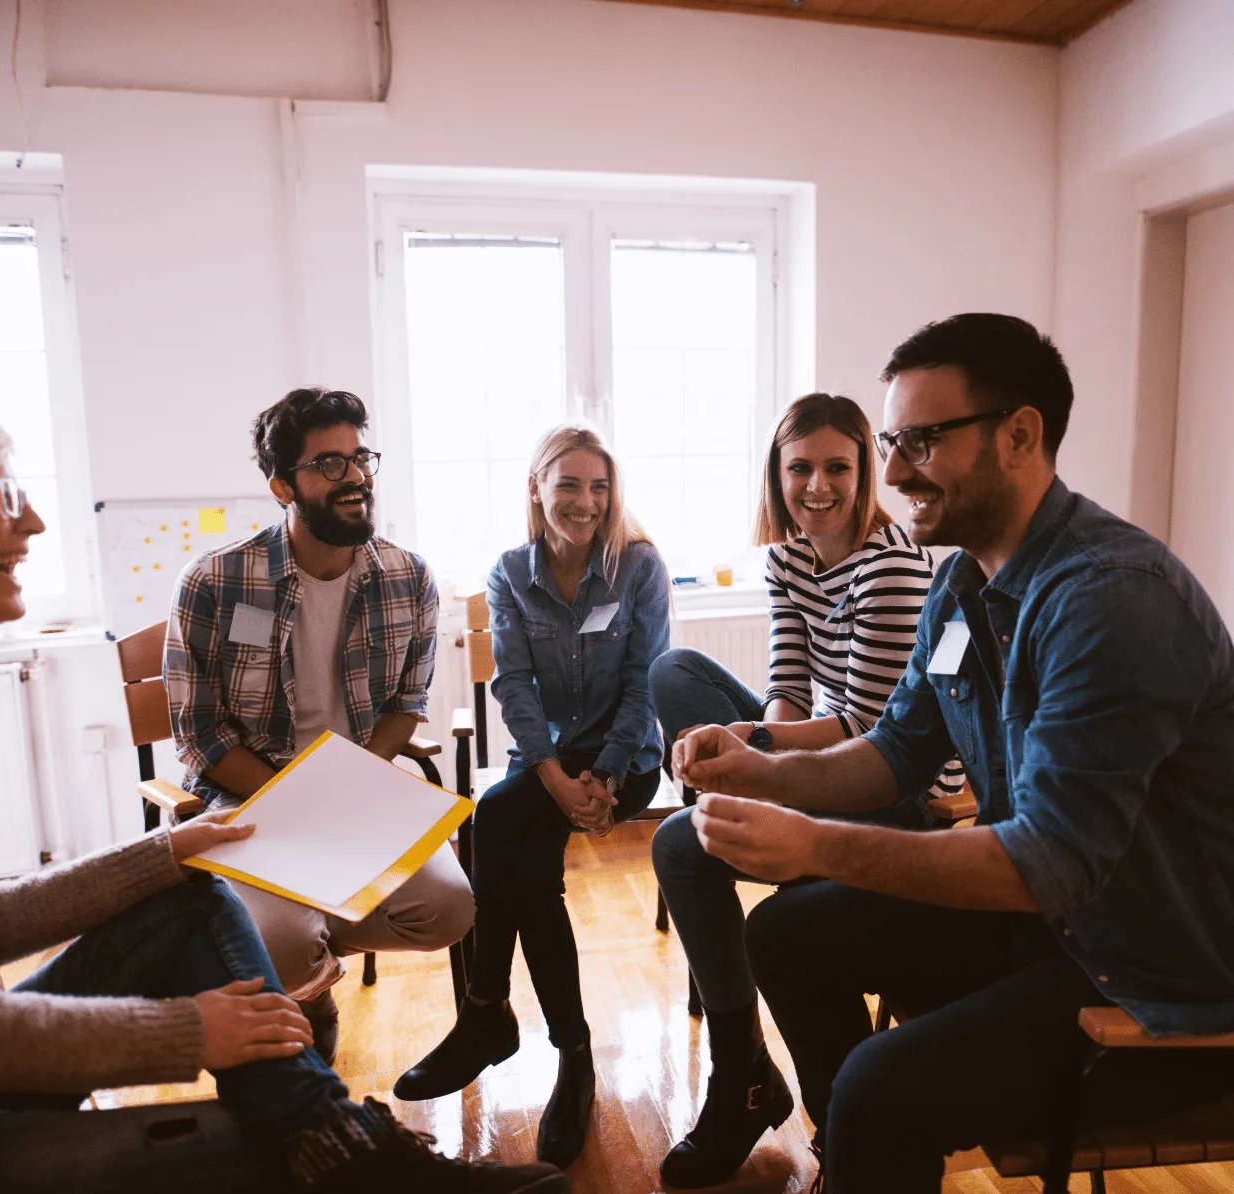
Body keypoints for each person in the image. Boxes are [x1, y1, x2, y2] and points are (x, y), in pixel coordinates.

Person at [0, 386, 567, 1194]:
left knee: (189, 901)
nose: (30, 527)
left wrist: (161, 852)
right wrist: (187, 1034)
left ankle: (334, 1139)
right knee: (260, 1145)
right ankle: (340, 1146)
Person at [674, 315, 1234, 1192]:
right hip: (1047, 927)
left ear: (1019, 435)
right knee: (782, 934)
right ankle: (855, 1160)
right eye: (893, 442)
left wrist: (814, 844)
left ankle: (861, 1142)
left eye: (921, 442)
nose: (892, 474)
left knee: (878, 1085)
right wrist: (760, 770)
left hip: (1149, 976)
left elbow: (1046, 863)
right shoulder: (960, 583)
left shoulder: (1113, 602)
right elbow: (895, 751)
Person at [648, 393, 965, 1187]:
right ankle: (748, 1069)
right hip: (829, 753)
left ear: (865, 474)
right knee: (675, 671)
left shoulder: (890, 564)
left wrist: (753, 753)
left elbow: (866, 729)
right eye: (799, 468)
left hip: (901, 786)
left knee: (681, 844)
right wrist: (759, 753)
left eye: (836, 468)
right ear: (775, 474)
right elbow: (788, 691)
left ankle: (747, 1085)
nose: (815, 486)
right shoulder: (787, 558)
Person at [165, 387, 474, 1064]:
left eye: (361, 458)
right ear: (282, 485)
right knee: (276, 943)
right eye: (329, 464)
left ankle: (310, 946)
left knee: (449, 910)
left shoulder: (408, 577)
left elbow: (406, 705)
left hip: (356, 795)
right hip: (248, 801)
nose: (356, 477)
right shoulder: (215, 582)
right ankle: (309, 989)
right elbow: (199, 732)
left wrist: (348, 790)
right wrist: (296, 808)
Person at [393, 423, 672, 1169]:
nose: (585, 501)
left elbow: (647, 678)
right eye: (569, 484)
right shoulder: (511, 572)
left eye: (598, 486)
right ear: (536, 488)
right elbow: (511, 683)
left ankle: (487, 1015)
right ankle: (569, 1052)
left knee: (496, 818)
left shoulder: (636, 567)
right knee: (521, 844)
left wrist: (606, 776)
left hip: (626, 754)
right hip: (547, 760)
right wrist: (554, 776)